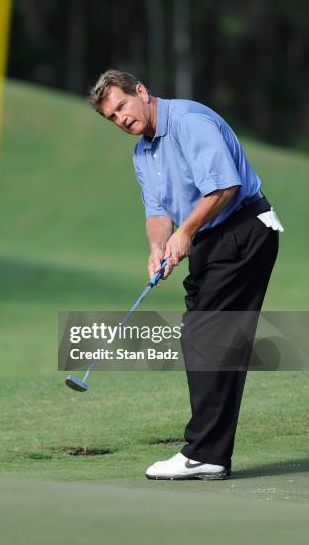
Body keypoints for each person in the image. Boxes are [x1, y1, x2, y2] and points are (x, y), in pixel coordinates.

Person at [88, 69, 284, 480]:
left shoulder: (189, 121)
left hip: (244, 229)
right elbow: (157, 210)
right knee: (205, 335)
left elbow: (224, 187)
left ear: (141, 92)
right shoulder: (143, 153)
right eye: (112, 117)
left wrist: (186, 233)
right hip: (214, 238)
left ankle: (205, 452)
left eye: (122, 106)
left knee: (207, 334)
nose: (121, 119)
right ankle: (209, 451)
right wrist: (158, 247)